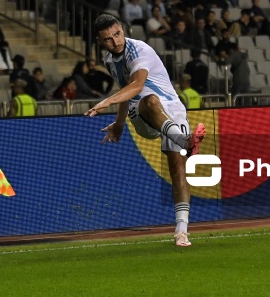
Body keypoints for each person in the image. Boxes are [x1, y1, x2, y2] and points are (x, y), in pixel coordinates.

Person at [85, 14, 206, 247]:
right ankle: (185, 141)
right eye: (108, 39)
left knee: (177, 167)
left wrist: (106, 102)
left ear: (122, 29)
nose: (115, 41)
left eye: (117, 34)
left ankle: (182, 231)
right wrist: (119, 124)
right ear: (101, 42)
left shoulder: (140, 50)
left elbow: (137, 83)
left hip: (172, 108)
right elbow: (131, 90)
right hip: (141, 114)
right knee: (149, 99)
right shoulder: (110, 61)